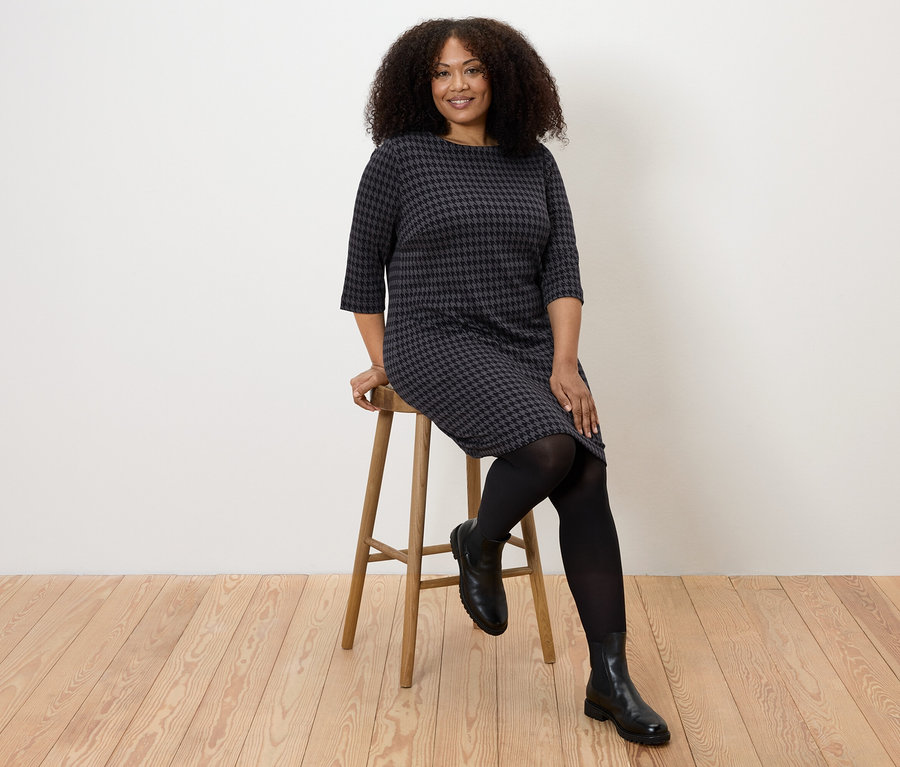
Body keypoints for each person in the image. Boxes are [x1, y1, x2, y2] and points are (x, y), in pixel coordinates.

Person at [341, 17, 670, 746]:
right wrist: (388, 355)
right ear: (420, 85)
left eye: (472, 70)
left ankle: (608, 678)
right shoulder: (398, 161)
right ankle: (479, 539)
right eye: (441, 73)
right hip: (435, 340)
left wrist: (564, 361)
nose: (457, 85)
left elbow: (563, 272)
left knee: (584, 468)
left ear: (502, 77)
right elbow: (364, 282)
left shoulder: (534, 162)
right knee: (552, 449)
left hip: (528, 341)